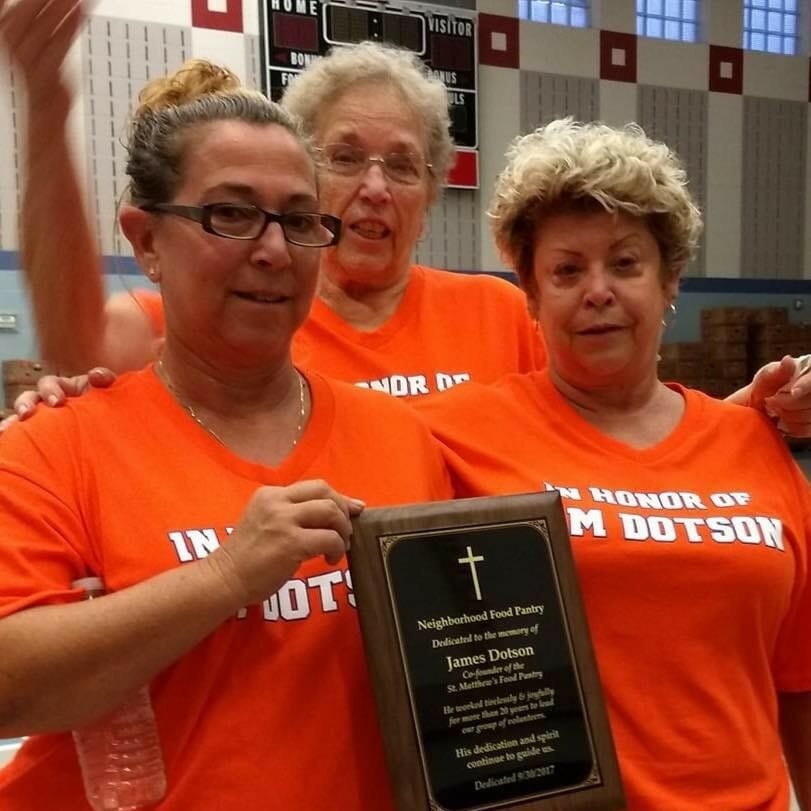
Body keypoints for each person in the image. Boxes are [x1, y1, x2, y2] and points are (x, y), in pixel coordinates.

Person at [0, 59, 453, 810]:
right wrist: (226, 576)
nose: (273, 250)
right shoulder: (54, 445)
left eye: (299, 219)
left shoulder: (400, 438)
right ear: (146, 241)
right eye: (231, 215)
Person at [418, 119, 811, 811]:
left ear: (669, 282)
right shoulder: (450, 436)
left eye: (625, 263)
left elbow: (800, 681)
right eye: (566, 269)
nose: (596, 290)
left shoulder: (753, 442)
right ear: (531, 294)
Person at [0, 0, 544, 403]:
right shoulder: (234, 314)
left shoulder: (504, 315)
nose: (375, 189)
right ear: (298, 179)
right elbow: (77, 343)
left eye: (402, 166)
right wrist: (48, 104)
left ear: (430, 192)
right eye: (346, 157)